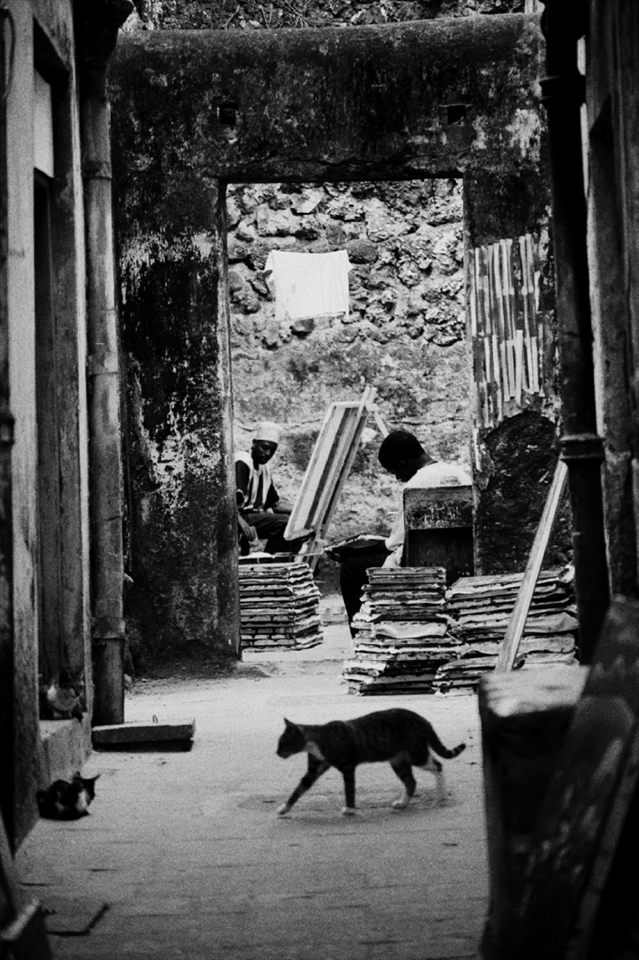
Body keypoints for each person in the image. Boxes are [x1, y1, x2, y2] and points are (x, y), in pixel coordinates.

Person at [334, 429, 472, 633]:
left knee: (351, 568)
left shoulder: (415, 485)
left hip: (421, 563)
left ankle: (362, 634)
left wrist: (354, 549)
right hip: (463, 561)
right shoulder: (462, 475)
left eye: (394, 472)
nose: (398, 478)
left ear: (401, 463)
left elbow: (396, 542)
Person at [235, 421, 309, 556]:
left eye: (272, 451)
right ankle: (270, 561)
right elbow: (228, 503)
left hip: (251, 517)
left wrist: (304, 513)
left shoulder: (264, 468)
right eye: (264, 448)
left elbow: (275, 504)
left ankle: (285, 561)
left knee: (298, 524)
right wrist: (243, 524)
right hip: (235, 517)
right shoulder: (242, 461)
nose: (268, 453)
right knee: (284, 522)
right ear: (254, 443)